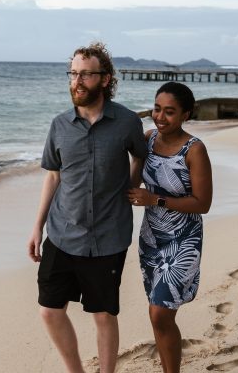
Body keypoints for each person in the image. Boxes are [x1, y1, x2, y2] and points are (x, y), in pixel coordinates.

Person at [28, 41, 148, 373]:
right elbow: (53, 176)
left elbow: (140, 153)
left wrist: (132, 185)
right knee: (50, 310)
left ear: (105, 79)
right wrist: (37, 227)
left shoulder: (126, 123)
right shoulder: (59, 125)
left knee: (104, 315)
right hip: (63, 233)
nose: (77, 81)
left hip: (108, 236)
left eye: (86, 75)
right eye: (73, 73)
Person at [127, 81, 212, 373]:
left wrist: (155, 200)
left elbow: (202, 203)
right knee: (158, 315)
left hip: (184, 239)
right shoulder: (148, 139)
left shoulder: (194, 149)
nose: (160, 117)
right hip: (151, 238)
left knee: (160, 313)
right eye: (157, 109)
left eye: (170, 112)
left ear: (186, 114)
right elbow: (132, 184)